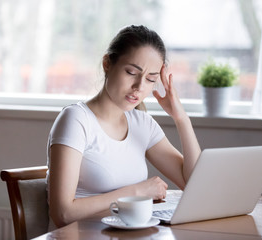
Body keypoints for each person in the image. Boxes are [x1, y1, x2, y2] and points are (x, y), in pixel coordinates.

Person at [46, 25, 201, 228]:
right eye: (131, 72)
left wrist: (181, 118)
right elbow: (63, 214)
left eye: (150, 79)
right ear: (107, 64)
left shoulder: (142, 123)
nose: (139, 87)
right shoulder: (76, 120)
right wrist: (137, 191)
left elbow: (195, 187)